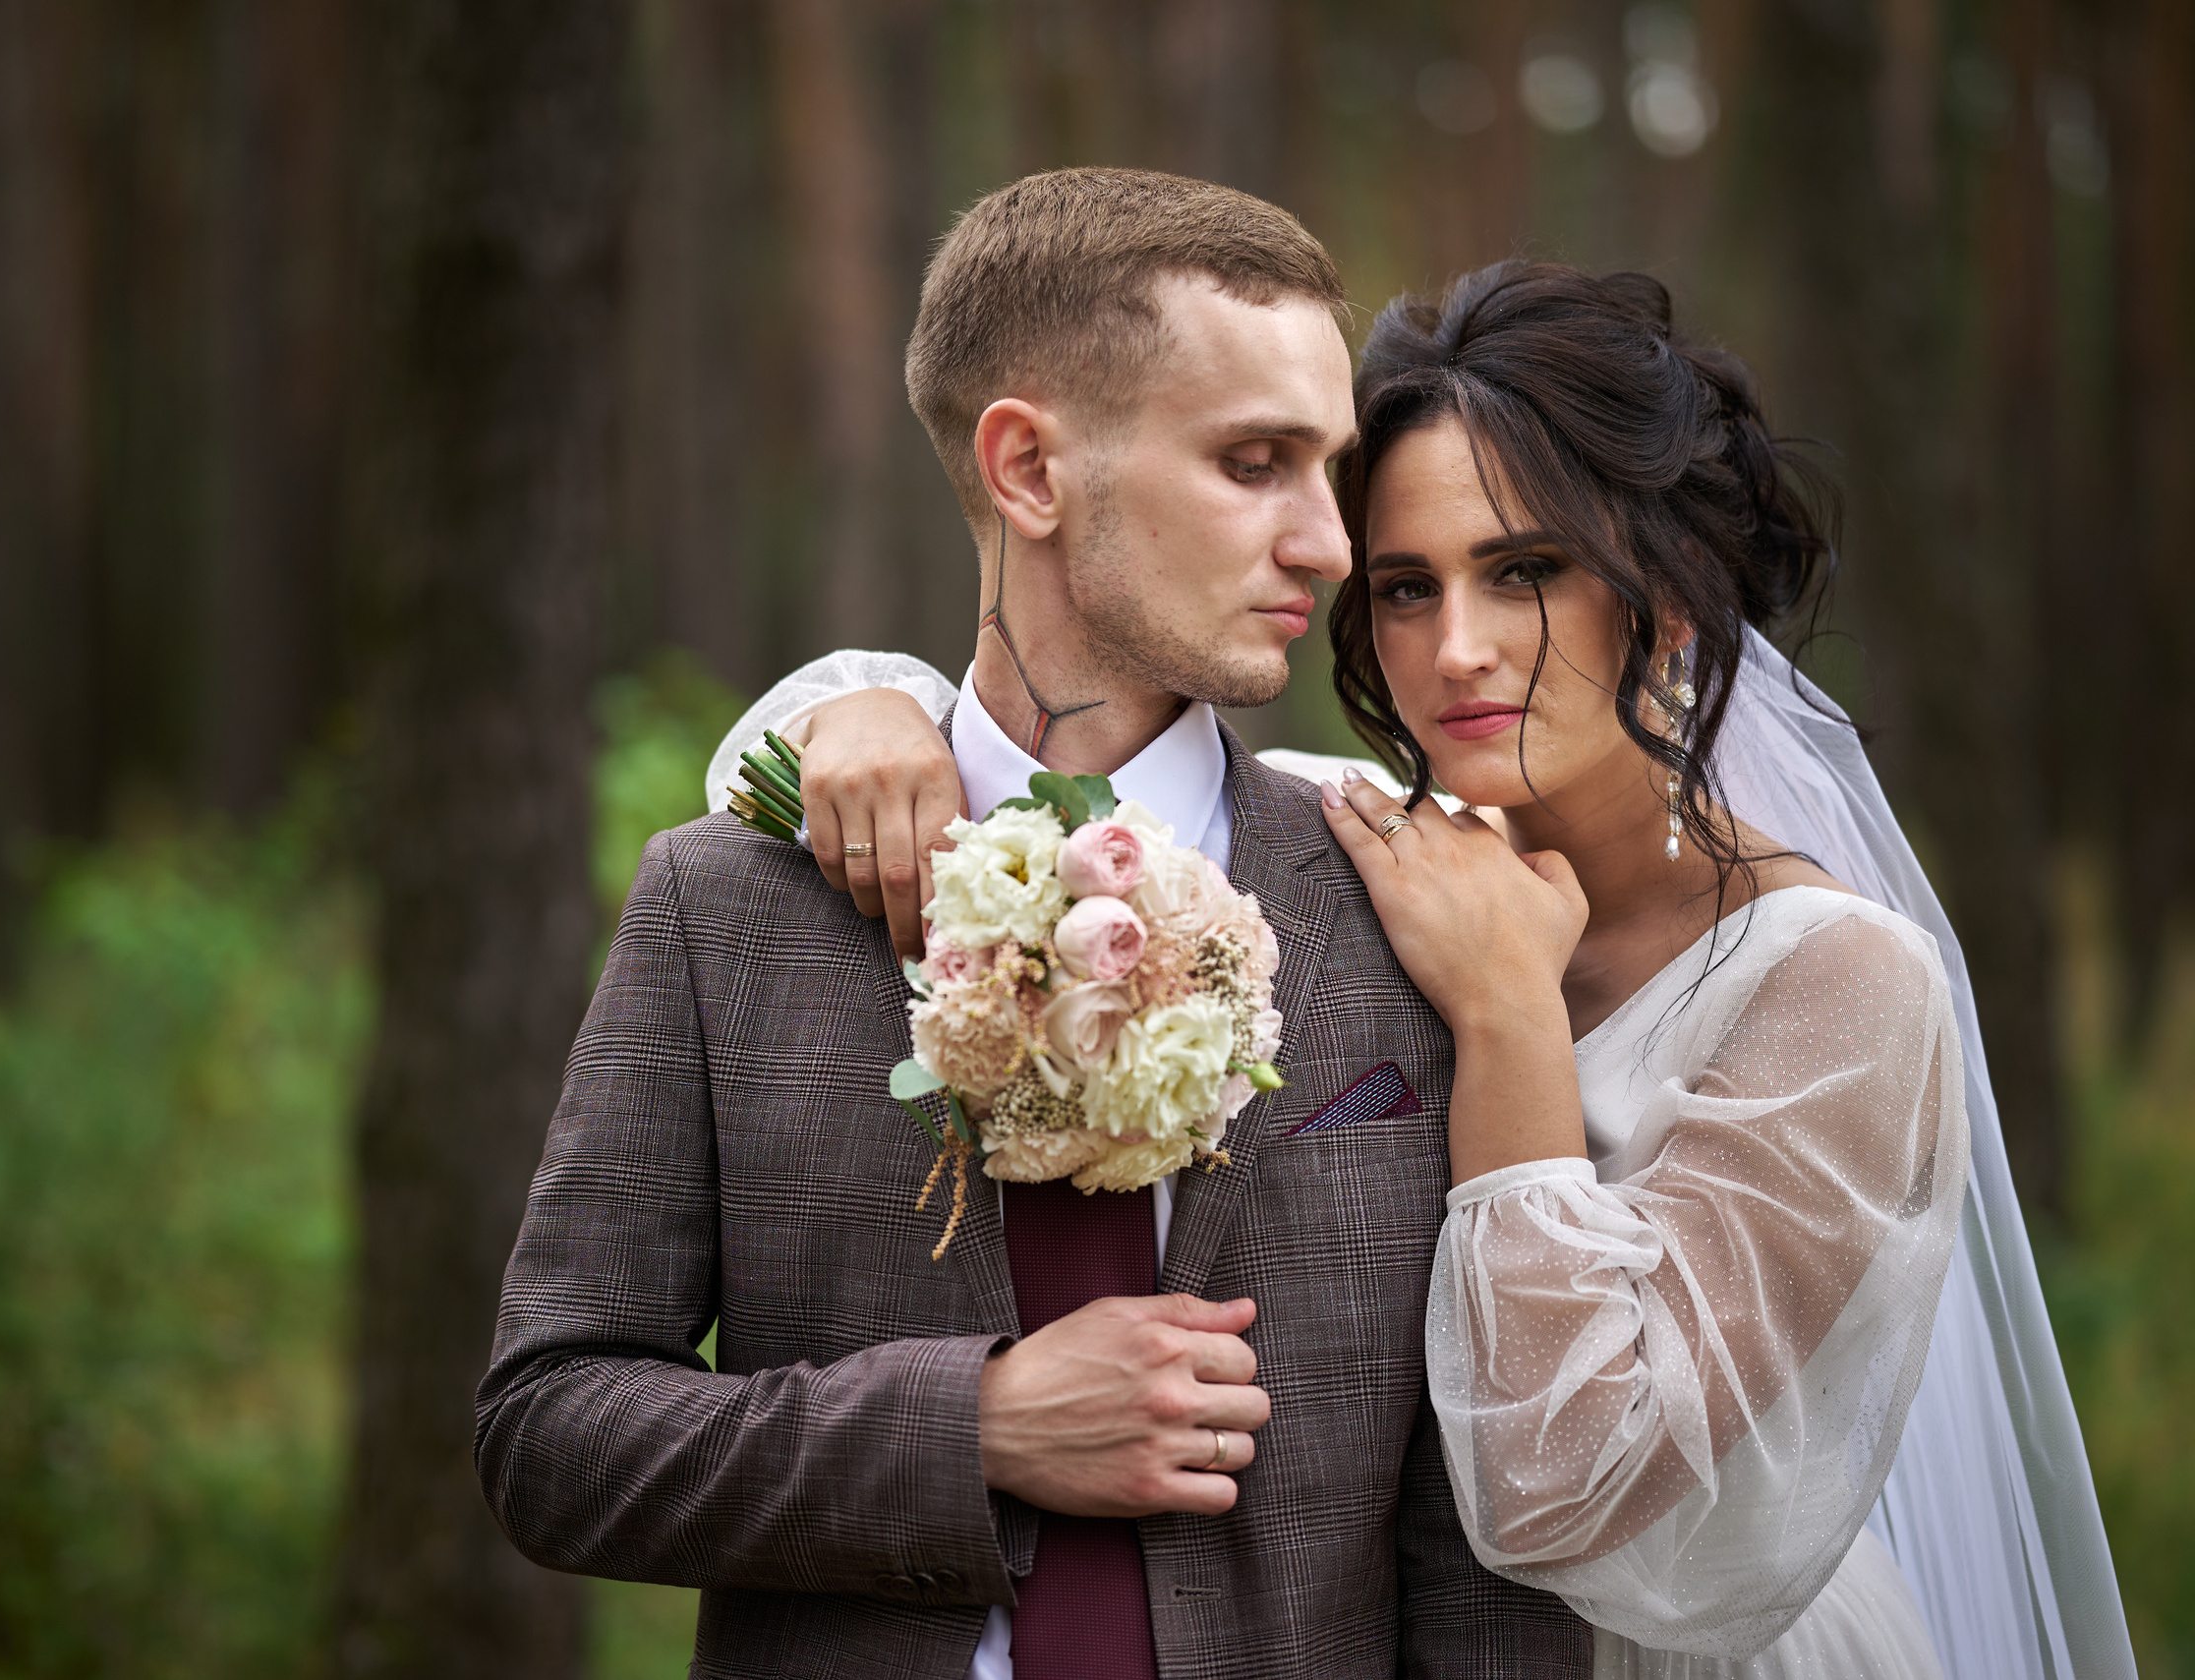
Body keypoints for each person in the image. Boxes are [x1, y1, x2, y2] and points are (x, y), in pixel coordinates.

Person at [740, 261, 2134, 1677]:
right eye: (1408, 587)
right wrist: (872, 708)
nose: (1457, 649)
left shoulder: (1842, 989)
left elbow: (1563, 1486)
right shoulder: (1354, 840)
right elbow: (910, 772)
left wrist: (1509, 1013)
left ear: (1663, 599)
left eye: (1525, 572)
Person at [478, 172, 1591, 1678]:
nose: (1328, 544)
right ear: (1029, 469)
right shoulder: (723, 908)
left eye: (1325, 469)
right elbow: (548, 1432)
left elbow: (1481, 1551)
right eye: (1253, 462)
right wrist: (973, 1424)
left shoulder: (1415, 909)